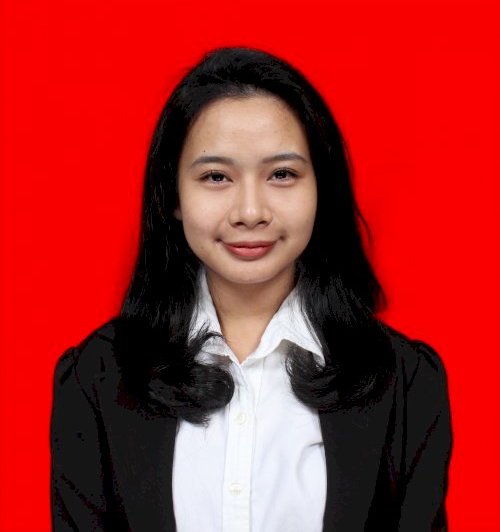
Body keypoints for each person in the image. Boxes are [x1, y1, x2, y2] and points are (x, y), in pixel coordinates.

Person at [50, 46, 453, 531]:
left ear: (321, 189)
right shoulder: (94, 378)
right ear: (173, 194)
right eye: (216, 176)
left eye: (282, 174)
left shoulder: (406, 383)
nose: (249, 212)